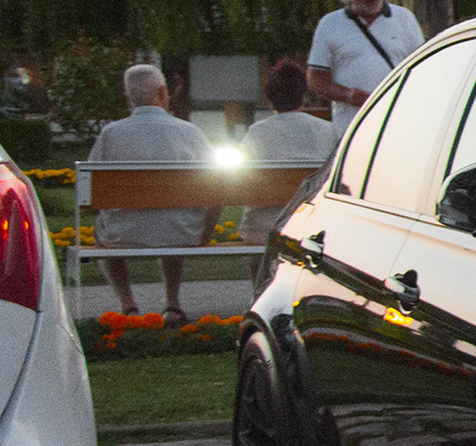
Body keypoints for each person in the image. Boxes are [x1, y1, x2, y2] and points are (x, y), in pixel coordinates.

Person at [88, 62, 215, 323]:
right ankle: (172, 304)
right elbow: (218, 187)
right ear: (162, 93)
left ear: (129, 99)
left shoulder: (111, 134)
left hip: (124, 234)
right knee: (172, 220)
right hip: (180, 231)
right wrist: (205, 232)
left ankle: (128, 306)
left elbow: (89, 189)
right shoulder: (190, 132)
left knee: (103, 233)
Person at [306, 0, 425, 125]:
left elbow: (423, 69)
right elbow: (316, 80)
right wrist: (349, 95)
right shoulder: (330, 24)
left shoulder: (405, 19)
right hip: (352, 126)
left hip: (398, 123)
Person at [236, 59, 339, 244]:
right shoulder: (328, 130)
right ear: (302, 94)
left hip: (265, 224)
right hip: (312, 222)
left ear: (270, 97)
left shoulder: (256, 132)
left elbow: (240, 176)